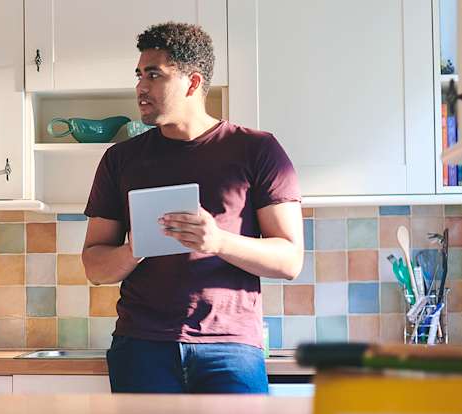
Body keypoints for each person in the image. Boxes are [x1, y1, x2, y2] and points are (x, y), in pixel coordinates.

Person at [80, 22, 304, 394]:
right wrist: (133, 249)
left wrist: (217, 241)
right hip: (141, 347)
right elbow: (94, 266)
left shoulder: (257, 150)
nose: (140, 87)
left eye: (154, 75)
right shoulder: (120, 160)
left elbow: (290, 260)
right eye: (139, 75)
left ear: (193, 82)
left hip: (230, 348)